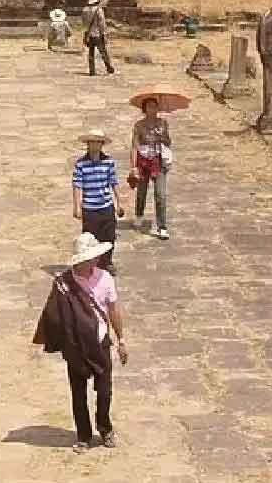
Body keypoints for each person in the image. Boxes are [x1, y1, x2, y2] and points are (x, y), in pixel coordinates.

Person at [32, 232, 129, 453]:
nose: (95, 260)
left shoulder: (105, 279)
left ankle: (105, 428)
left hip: (100, 343)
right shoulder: (63, 284)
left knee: (104, 390)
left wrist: (121, 339)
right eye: (91, 257)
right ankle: (83, 435)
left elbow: (113, 309)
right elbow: (53, 314)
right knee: (78, 393)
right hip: (75, 346)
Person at [72, 129, 122, 273]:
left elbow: (114, 182)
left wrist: (120, 202)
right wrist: (77, 206)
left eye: (98, 142)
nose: (95, 145)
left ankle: (107, 262)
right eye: (92, 142)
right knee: (90, 238)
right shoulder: (81, 164)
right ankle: (91, 264)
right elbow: (77, 185)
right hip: (89, 208)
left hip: (106, 205)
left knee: (109, 236)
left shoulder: (108, 162)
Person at [130, 97, 173, 240]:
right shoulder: (139, 126)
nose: (152, 110)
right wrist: (133, 166)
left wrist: (161, 136)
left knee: (160, 194)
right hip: (143, 161)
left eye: (155, 107)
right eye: (149, 107)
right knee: (141, 191)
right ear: (144, 109)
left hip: (158, 161)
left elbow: (169, 141)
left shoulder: (162, 124)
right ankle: (139, 214)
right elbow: (134, 146)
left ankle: (162, 226)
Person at [82, 0, 114, 76]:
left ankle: (92, 70)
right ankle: (109, 68)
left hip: (89, 34)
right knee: (103, 52)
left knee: (91, 53)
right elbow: (102, 24)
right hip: (97, 33)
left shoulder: (85, 10)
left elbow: (84, 22)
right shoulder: (98, 10)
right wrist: (104, 34)